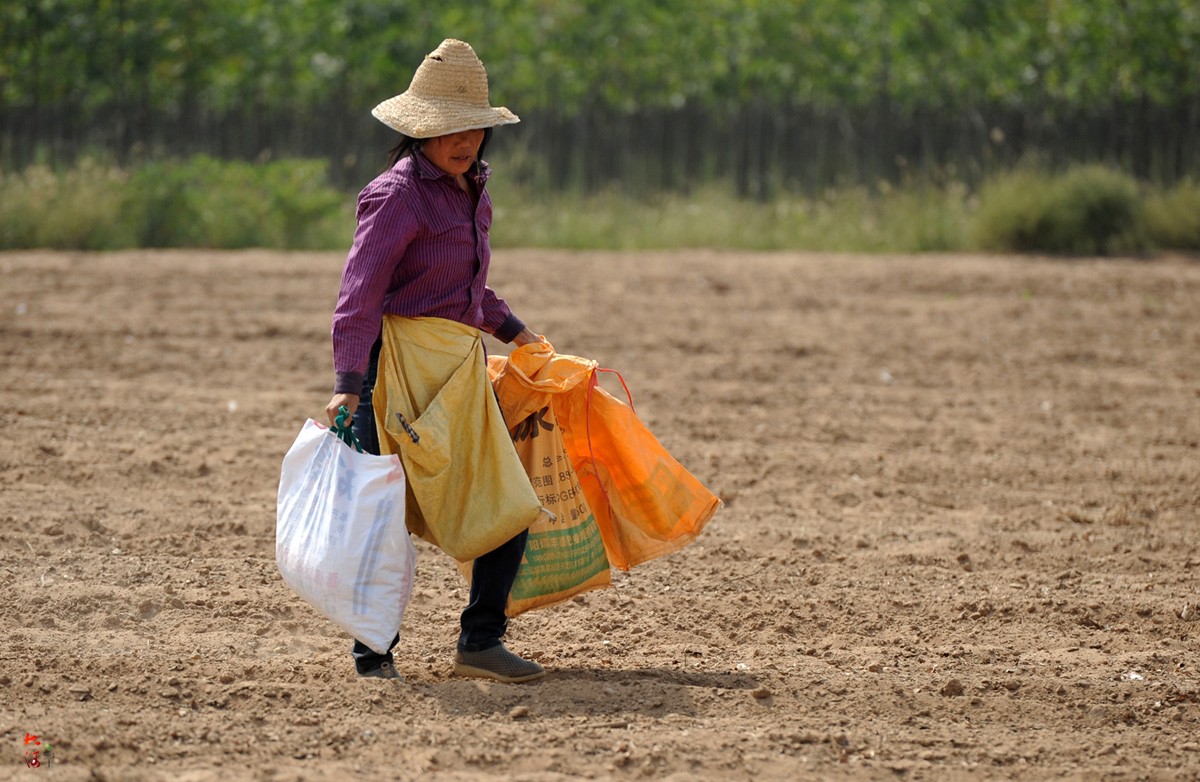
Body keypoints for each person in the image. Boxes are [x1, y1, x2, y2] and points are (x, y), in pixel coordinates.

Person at [324, 39, 545, 683]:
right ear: (421, 130)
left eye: (472, 127)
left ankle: (480, 642)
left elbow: (469, 285)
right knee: (383, 512)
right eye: (448, 129)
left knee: (508, 502)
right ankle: (373, 654)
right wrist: (348, 382)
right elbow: (358, 294)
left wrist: (520, 332)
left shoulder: (473, 189)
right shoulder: (397, 195)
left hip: (455, 369)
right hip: (391, 372)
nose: (463, 140)